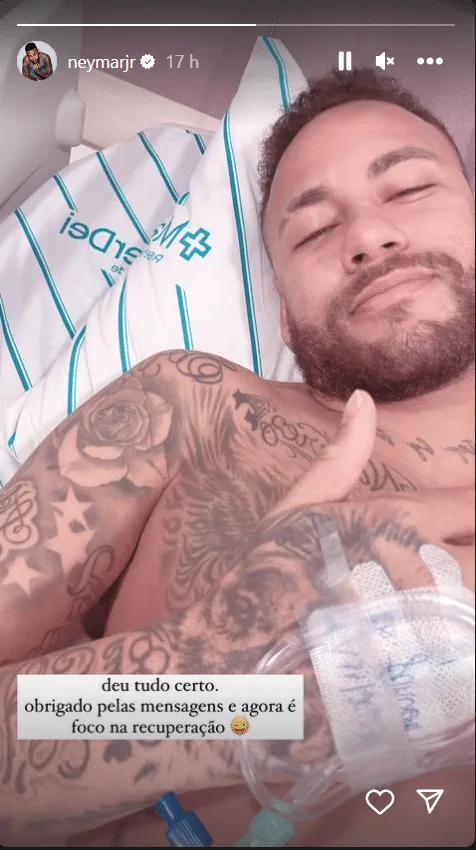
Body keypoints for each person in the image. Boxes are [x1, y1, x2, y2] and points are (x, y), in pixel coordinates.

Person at [0, 68, 474, 847]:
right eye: (314, 230)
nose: (368, 237)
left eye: (410, 190)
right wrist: (221, 680)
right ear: (283, 312)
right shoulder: (191, 407)